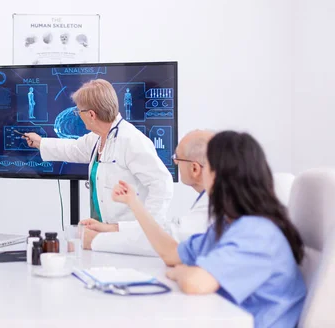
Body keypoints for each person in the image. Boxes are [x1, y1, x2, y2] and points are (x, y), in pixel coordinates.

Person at [112, 131, 306, 328]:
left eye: (207, 168)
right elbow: (171, 253)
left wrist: (181, 272)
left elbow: (196, 282)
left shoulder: (258, 233)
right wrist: (134, 203)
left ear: (221, 176)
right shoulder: (228, 226)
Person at [24, 79, 173, 250]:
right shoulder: (99, 137)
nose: (77, 114)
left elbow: (162, 184)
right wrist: (40, 142)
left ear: (91, 115)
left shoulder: (131, 140)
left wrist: (143, 228)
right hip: (103, 231)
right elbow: (74, 149)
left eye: (78, 111)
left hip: (128, 236)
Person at [82, 129, 213, 255]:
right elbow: (167, 229)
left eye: (177, 157)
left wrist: (95, 240)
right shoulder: (211, 198)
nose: (175, 162)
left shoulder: (216, 205)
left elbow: (167, 244)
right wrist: (112, 228)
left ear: (194, 169)